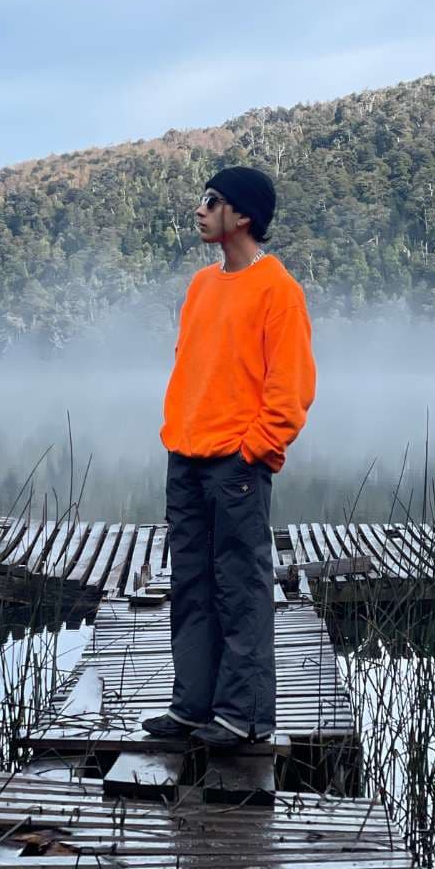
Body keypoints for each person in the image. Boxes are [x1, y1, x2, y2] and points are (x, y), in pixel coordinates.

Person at [142, 166, 316, 752]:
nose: (199, 208)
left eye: (211, 200)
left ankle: (243, 716)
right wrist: (177, 435)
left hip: (236, 465)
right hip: (186, 460)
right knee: (190, 583)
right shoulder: (200, 286)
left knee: (238, 587)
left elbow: (290, 391)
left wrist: (255, 452)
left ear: (241, 215)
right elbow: (190, 366)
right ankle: (193, 708)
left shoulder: (278, 291)